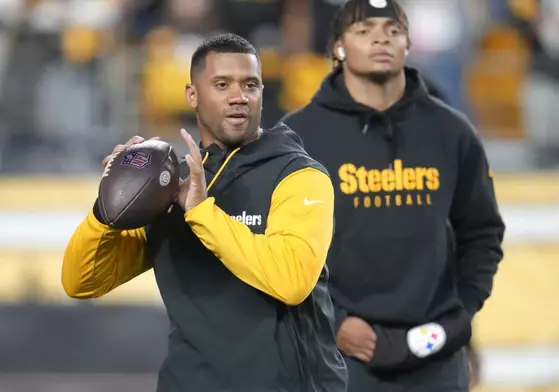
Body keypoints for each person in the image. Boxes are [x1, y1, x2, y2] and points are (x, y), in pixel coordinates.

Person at [61, 33, 348, 392]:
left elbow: (291, 281)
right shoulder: (165, 185)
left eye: (250, 85)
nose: (239, 96)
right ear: (192, 95)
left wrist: (201, 212)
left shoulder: (299, 176)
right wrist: (107, 210)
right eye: (222, 84)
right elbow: (81, 282)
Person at [281, 0, 505, 391]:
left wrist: (461, 313)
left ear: (408, 43)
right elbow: (278, 249)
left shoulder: (452, 131)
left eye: (392, 30)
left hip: (436, 356)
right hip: (337, 354)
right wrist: (331, 321)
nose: (380, 38)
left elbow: (482, 232)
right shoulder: (297, 137)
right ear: (338, 47)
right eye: (364, 31)